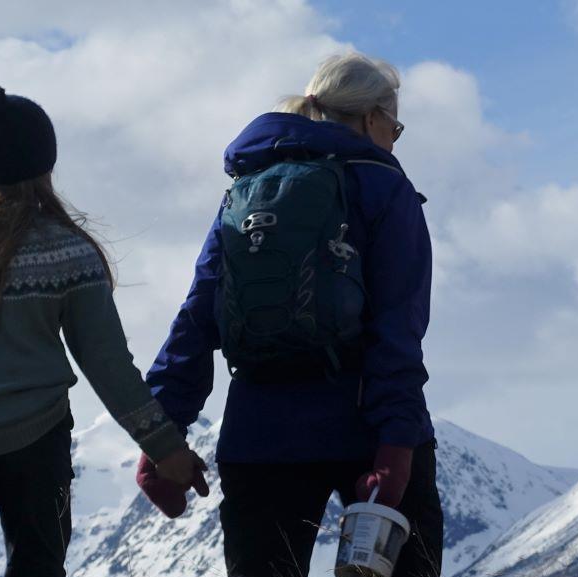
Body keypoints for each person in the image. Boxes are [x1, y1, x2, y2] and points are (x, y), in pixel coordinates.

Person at [0, 83, 208, 577]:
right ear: (43, 164)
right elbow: (107, 364)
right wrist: (164, 447)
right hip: (36, 441)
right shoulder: (67, 252)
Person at [144, 52, 442, 577]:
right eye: (394, 126)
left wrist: (161, 431)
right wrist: (396, 444)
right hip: (367, 436)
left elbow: (198, 313)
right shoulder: (384, 187)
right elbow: (399, 328)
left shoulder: (246, 188)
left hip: (260, 438)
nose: (394, 140)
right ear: (372, 117)